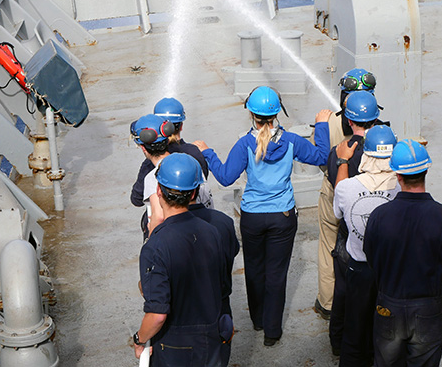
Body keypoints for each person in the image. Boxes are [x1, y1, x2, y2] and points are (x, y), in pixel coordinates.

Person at [194, 85, 332, 346]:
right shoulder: (292, 141)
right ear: (278, 113)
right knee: (277, 274)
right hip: (283, 215)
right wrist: (321, 125)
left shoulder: (245, 143)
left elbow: (225, 177)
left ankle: (257, 320)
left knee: (255, 271)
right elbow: (322, 156)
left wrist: (207, 152)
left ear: (251, 115)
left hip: (253, 217)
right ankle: (272, 331)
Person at [363, 140, 442, 367]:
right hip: (429, 311)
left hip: (389, 307)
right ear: (425, 171)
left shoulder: (379, 216)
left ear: (398, 176)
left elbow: (371, 256)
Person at [133, 153, 228, 366]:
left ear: (159, 191)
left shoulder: (155, 246)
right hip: (210, 339)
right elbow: (220, 285)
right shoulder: (212, 232)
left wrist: (139, 339)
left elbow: (157, 314)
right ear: (194, 192)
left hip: (174, 347)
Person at [315, 70, 381, 320]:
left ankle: (329, 303)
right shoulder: (378, 127)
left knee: (329, 246)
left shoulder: (330, 121)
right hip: (369, 193)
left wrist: (321, 126)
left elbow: (322, 160)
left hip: (334, 191)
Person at [332, 125, 399, 367]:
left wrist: (342, 162)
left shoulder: (348, 187)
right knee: (388, 334)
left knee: (354, 331)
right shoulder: (401, 189)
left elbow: (337, 210)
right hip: (391, 272)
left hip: (359, 269)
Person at [188, 185, 240, 367]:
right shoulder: (224, 221)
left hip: (187, 313)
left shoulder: (167, 230)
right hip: (220, 304)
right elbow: (233, 250)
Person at [130, 97, 211, 211]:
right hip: (200, 213)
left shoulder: (150, 166)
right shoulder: (194, 152)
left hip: (170, 218)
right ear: (181, 126)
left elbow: (136, 199)